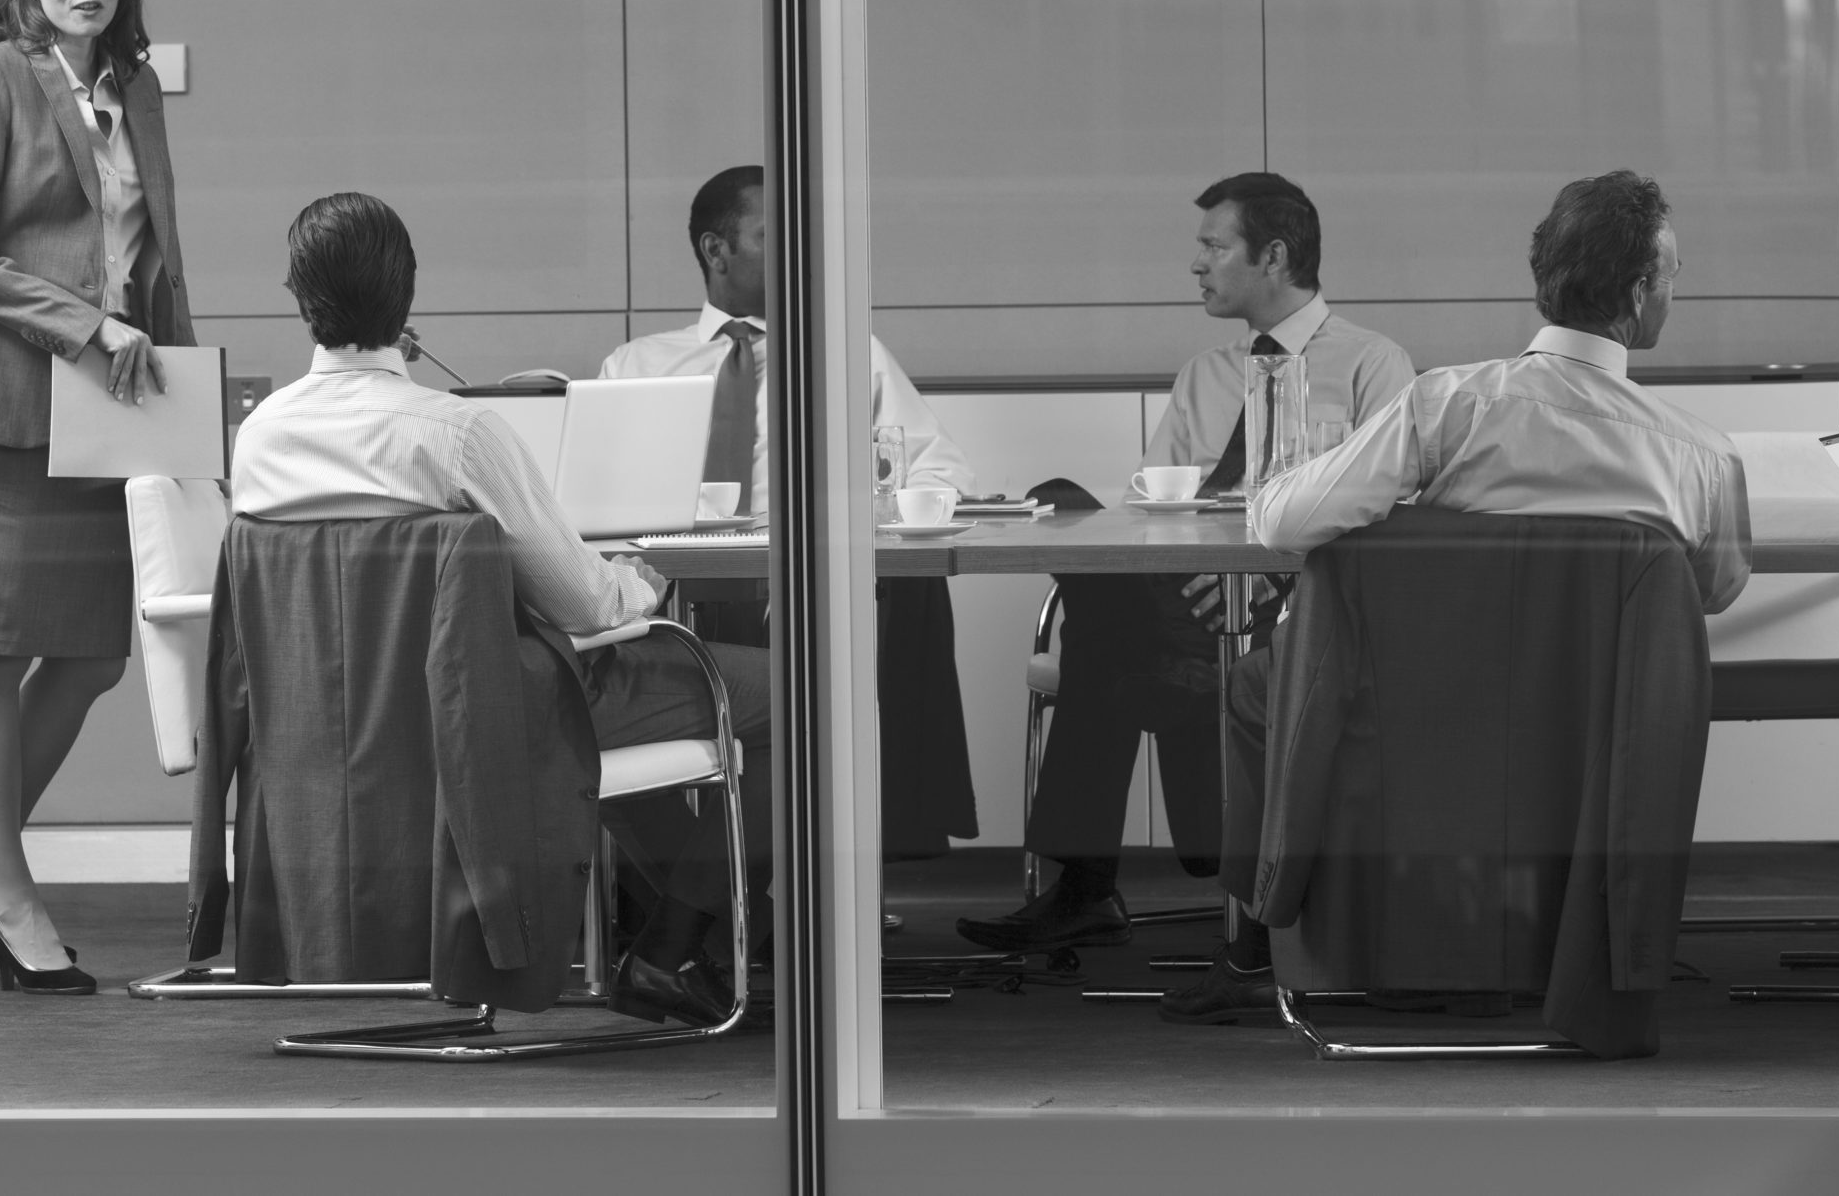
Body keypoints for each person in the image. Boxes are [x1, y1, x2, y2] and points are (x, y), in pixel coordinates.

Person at [1161, 169, 1752, 1024]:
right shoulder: (1701, 454)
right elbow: (1714, 590)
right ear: (1637, 293)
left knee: (1262, 683)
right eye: (1672, 275)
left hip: (1423, 716)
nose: (1673, 290)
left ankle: (1277, 930)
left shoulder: (1449, 406)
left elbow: (1284, 519)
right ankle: (1571, 933)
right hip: (1593, 728)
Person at [232, 192, 771, 1029]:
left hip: (335, 729)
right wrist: (642, 573)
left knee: (610, 689)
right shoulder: (455, 434)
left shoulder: (260, 435)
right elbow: (586, 603)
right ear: (407, 297)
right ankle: (671, 946)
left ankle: (681, 932)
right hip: (488, 715)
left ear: (298, 298)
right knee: (805, 696)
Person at [955, 173, 1414, 956]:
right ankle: (1202, 783)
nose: (1195, 265)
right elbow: (1149, 511)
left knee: (1105, 641)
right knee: (1062, 506)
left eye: (1213, 246)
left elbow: (1392, 509)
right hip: (1186, 599)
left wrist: (1267, 571)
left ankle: (1086, 886)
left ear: (1272, 255)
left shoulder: (1374, 364)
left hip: (1298, 601)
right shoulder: (1205, 374)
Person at [0, 0, 193, 996]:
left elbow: (153, 258)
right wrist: (86, 326)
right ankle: (13, 897)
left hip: (108, 411)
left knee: (90, 655)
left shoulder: (135, 89)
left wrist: (185, 392)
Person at [603, 165, 980, 858]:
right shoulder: (636, 365)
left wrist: (865, 509)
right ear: (717, 251)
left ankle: (728, 923)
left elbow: (939, 467)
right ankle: (706, 912)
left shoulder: (844, 356)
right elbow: (597, 503)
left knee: (806, 693)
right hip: (662, 602)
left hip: (800, 598)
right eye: (775, 233)